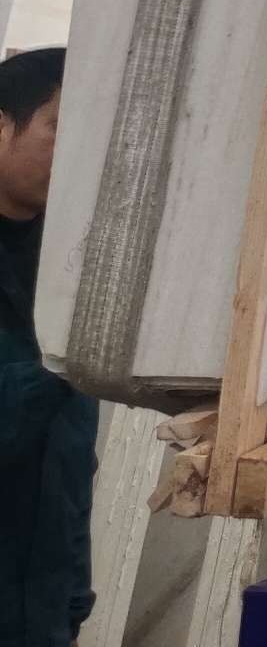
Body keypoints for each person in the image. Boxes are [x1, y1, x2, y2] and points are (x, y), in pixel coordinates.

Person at [0, 48, 97, 647]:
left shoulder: (66, 266)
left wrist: (72, 599)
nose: (78, 151)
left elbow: (72, 454)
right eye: (60, 127)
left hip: (40, 616)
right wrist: (65, 369)